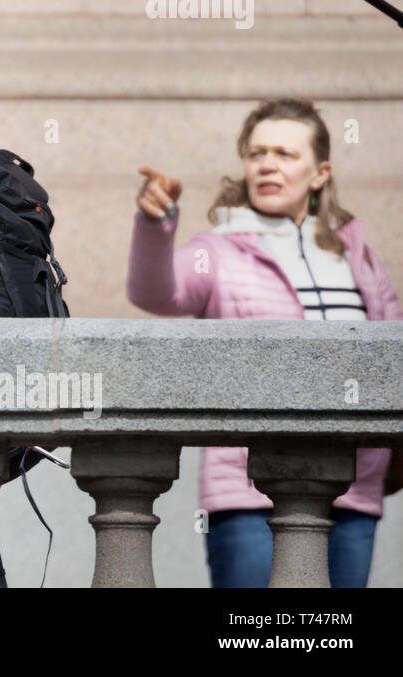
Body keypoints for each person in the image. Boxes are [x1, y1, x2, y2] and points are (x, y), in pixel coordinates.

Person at [126, 97, 402, 587]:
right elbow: (156, 292)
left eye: (284, 153)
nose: (267, 165)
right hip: (249, 493)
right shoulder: (220, 248)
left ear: (320, 173)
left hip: (356, 490)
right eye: (256, 154)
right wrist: (156, 224)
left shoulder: (360, 258)